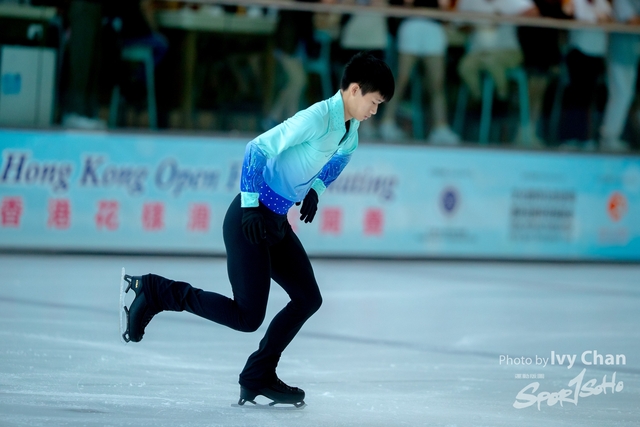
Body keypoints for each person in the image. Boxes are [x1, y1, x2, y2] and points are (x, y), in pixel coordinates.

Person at [120, 51, 395, 407]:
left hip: (276, 222)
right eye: (374, 102)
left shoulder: (350, 131)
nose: (375, 111)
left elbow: (337, 162)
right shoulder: (317, 118)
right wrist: (250, 207)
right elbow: (257, 149)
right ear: (355, 90)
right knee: (247, 317)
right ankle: (157, 291)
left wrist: (315, 190)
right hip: (248, 220)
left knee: (308, 298)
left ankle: (258, 375)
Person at [379, 0, 460, 144]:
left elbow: (446, 8)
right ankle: (387, 122)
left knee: (437, 82)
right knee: (402, 78)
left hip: (433, 26)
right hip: (412, 24)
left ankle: (440, 127)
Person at [558, 0, 612, 149]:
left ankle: (585, 137)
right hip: (578, 51)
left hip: (596, 54)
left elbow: (608, 20)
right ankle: (569, 137)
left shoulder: (602, 3)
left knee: (589, 97)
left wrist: (595, 18)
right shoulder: (575, 1)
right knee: (575, 95)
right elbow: (568, 11)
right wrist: (594, 18)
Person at [599, 0, 640, 152]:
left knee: (627, 94)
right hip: (619, 53)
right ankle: (609, 137)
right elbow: (632, 20)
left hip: (633, 54)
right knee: (621, 94)